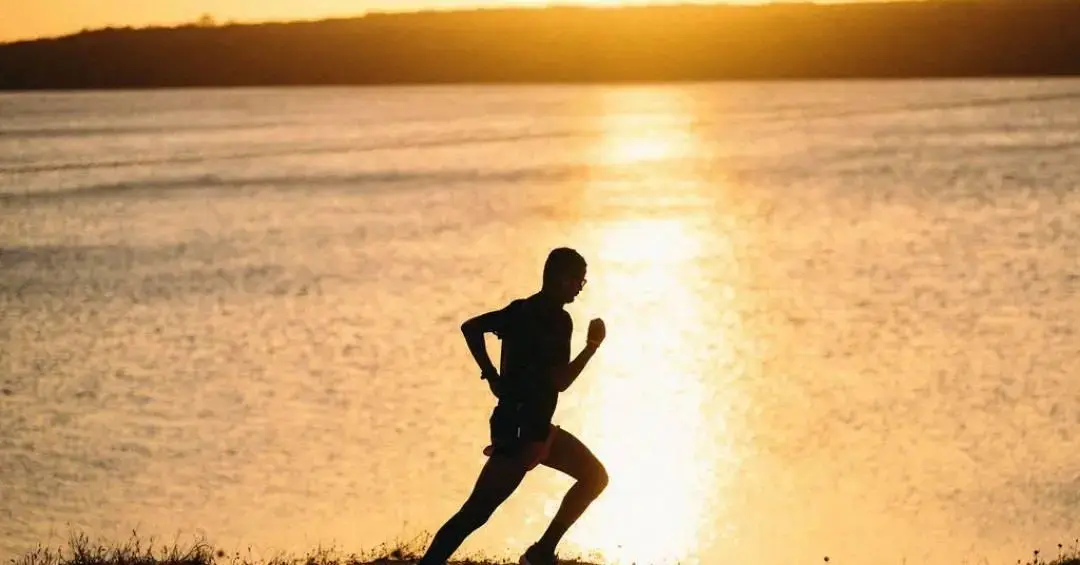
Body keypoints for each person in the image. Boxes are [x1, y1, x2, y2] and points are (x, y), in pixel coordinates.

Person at [417, 247, 609, 565]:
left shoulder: (520, 310)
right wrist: (592, 347)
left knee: (594, 476)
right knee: (474, 513)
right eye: (578, 279)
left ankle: (542, 552)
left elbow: (471, 327)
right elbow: (560, 381)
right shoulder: (559, 320)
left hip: (530, 427)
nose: (580, 286)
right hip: (522, 435)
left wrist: (492, 375)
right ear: (562, 278)